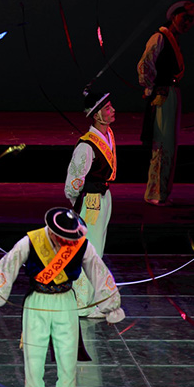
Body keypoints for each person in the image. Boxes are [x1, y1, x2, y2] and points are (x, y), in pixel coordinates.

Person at [0, 207, 124, 387]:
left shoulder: (81, 244)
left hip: (66, 304)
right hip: (37, 303)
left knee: (68, 368)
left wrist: (111, 307)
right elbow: (7, 266)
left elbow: (99, 272)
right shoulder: (31, 241)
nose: (67, 242)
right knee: (33, 367)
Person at [137, 0, 194, 206]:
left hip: (171, 93)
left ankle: (161, 192)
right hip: (163, 94)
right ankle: (155, 193)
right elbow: (145, 64)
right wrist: (152, 88)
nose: (187, 23)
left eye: (191, 21)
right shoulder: (160, 37)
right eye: (184, 18)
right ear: (174, 16)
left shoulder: (173, 40)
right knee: (162, 144)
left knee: (169, 145)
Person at [64, 89, 116, 317]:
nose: (112, 110)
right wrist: (79, 203)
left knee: (97, 249)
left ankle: (92, 300)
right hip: (91, 200)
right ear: (96, 115)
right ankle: (81, 302)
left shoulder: (108, 135)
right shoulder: (86, 145)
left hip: (104, 197)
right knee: (88, 249)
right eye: (107, 108)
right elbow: (74, 181)